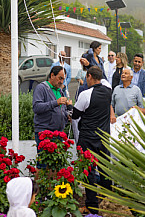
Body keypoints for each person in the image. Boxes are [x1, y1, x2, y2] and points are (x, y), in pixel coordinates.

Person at [67, 66, 113, 214]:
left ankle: (92, 206)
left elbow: (75, 115)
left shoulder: (86, 94)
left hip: (88, 138)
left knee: (89, 172)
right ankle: (108, 203)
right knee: (105, 171)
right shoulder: (108, 91)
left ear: (89, 76)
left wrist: (69, 106)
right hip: (104, 137)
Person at [33, 66, 72, 168]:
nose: (62, 82)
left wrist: (66, 116)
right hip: (45, 133)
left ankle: (53, 184)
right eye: (60, 78)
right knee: (43, 165)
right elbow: (37, 107)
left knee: (56, 165)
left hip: (58, 133)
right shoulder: (42, 88)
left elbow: (60, 110)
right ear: (52, 75)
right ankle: (40, 184)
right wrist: (56, 102)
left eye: (64, 79)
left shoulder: (59, 91)